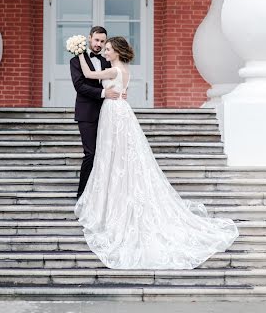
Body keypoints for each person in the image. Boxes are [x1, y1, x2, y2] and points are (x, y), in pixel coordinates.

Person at [74, 36, 239, 270]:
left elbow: (89, 76)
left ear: (117, 52)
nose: (106, 52)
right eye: (106, 49)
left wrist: (80, 53)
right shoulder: (124, 70)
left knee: (114, 153)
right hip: (120, 110)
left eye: (109, 49)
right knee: (118, 154)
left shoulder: (112, 71)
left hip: (114, 112)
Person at [70, 26, 124, 200]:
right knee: (91, 153)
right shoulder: (76, 61)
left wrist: (120, 91)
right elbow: (80, 86)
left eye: (102, 41)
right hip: (86, 113)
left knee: (106, 153)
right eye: (96, 40)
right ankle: (82, 195)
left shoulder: (107, 61)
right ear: (89, 38)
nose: (99, 44)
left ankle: (101, 196)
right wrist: (103, 93)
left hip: (107, 113)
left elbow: (114, 80)